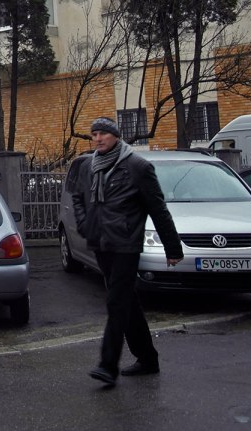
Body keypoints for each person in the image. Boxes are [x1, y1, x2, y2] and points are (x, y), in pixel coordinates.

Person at [72, 116, 183, 387]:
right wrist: (85, 224)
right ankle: (148, 358)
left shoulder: (137, 166)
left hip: (125, 244)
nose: (98, 138)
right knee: (127, 302)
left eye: (103, 134)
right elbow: (78, 196)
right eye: (94, 134)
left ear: (116, 136)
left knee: (116, 302)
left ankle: (107, 365)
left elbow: (158, 209)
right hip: (100, 242)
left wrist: (172, 248)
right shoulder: (89, 165)